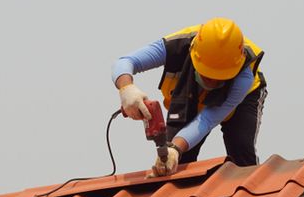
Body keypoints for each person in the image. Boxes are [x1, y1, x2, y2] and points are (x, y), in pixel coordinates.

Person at [113, 17, 267, 176]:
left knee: (241, 150)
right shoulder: (178, 45)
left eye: (220, 77)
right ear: (195, 55)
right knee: (177, 164)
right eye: (207, 75)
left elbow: (207, 119)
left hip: (243, 101)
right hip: (189, 93)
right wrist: (127, 89)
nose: (212, 82)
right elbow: (125, 62)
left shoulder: (244, 78)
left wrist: (175, 148)